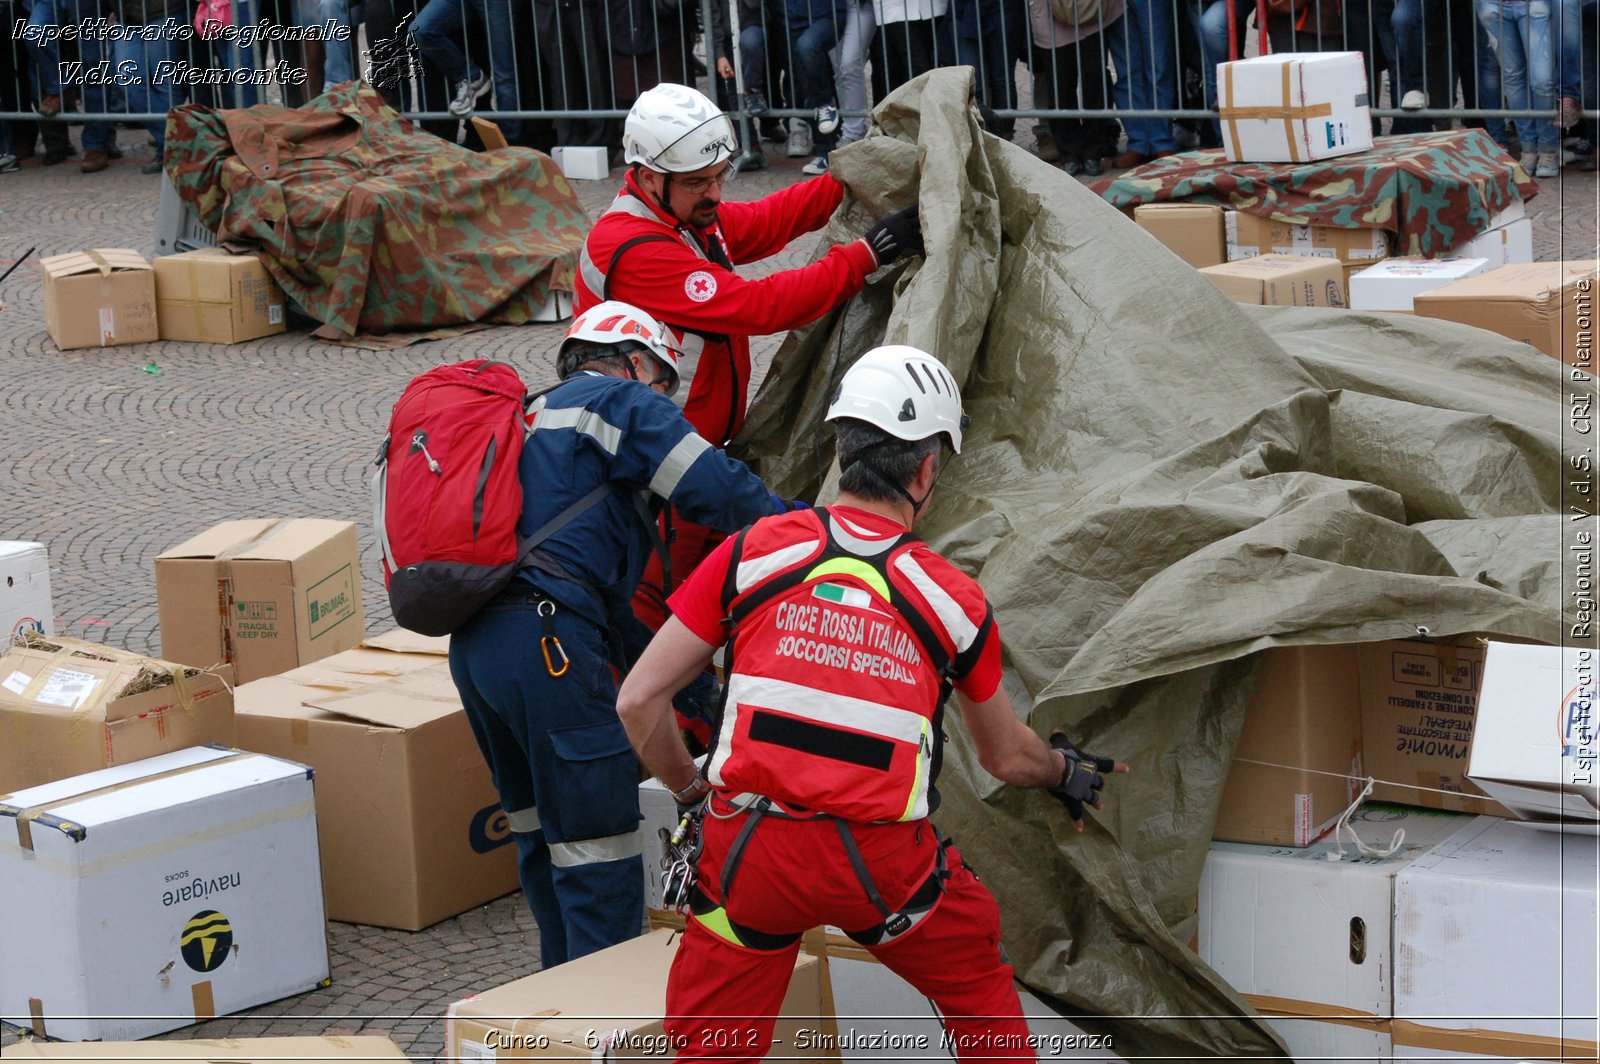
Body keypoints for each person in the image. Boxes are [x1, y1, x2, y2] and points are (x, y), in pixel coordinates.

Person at [615, 344, 1129, 1063]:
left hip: (751, 857)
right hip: (885, 869)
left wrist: (694, 792)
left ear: (840, 446)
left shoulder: (753, 552)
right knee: (980, 996)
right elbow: (1007, 757)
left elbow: (639, 699)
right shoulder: (953, 599)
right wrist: (1064, 772)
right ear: (926, 471)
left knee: (712, 1048)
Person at [446, 300, 796, 969]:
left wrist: (696, 700)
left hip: (479, 649)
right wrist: (811, 530)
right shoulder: (620, 402)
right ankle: (602, 1025)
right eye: (665, 383)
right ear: (639, 364)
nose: (666, 398)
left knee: (542, 837)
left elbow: (620, 624)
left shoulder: (530, 421)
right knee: (597, 848)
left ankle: (555, 1004)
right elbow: (720, 491)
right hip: (547, 643)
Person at [574, 81, 925, 638]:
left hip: (686, 454)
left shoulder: (681, 219)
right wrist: (866, 253)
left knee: (701, 603)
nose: (715, 194)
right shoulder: (634, 248)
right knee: (655, 615)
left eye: (720, 177)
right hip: (651, 472)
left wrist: (851, 176)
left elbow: (766, 220)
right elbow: (757, 306)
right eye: (698, 183)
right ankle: (659, 712)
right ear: (646, 178)